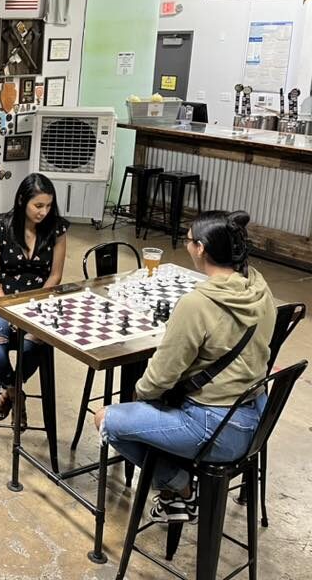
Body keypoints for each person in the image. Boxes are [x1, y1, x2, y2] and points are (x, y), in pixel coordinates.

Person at [95, 211, 275, 523]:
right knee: (151, 417)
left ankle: (181, 489)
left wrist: (140, 395)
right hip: (257, 419)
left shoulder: (197, 304)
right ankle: (173, 492)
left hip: (216, 429)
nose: (187, 246)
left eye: (189, 241)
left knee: (107, 420)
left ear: (202, 248)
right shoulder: (260, 289)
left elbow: (159, 378)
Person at [0, 173, 68, 421]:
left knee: (32, 346)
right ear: (22, 201)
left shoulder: (57, 229)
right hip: (2, 301)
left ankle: (8, 395)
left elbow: (55, 276)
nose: (44, 212)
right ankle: (15, 392)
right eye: (38, 206)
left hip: (40, 303)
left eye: (49, 206)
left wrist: (33, 308)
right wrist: (8, 308)